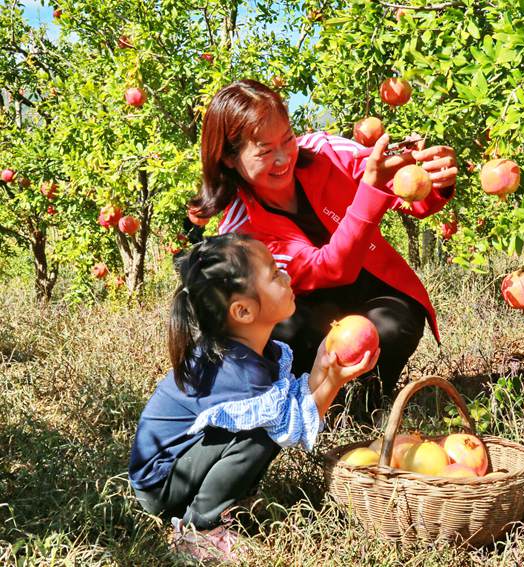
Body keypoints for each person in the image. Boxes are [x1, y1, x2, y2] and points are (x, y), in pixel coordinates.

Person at [189, 79, 457, 417]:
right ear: (229, 158)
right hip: (305, 316)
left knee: (393, 324)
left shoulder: (325, 151)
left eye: (287, 138)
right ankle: (318, 406)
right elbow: (327, 268)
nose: (284, 157)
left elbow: (402, 190)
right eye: (265, 150)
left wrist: (436, 180)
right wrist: (371, 191)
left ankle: (364, 405)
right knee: (280, 333)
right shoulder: (240, 232)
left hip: (372, 287)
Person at [128, 233, 378, 562]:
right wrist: (333, 380)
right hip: (161, 485)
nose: (286, 276)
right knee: (259, 434)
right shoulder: (233, 372)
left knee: (267, 424)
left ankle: (225, 503)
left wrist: (324, 364)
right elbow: (288, 427)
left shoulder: (251, 352)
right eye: (275, 273)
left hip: (179, 469)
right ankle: (200, 529)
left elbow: (291, 401)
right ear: (243, 311)